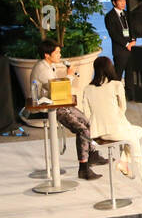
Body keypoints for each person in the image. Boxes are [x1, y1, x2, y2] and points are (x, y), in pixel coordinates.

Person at [30, 40, 106, 180]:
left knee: (86, 122)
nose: (60, 55)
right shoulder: (42, 69)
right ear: (47, 55)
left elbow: (56, 87)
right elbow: (57, 89)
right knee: (82, 130)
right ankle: (83, 168)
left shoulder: (49, 65)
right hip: (50, 106)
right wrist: (70, 75)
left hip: (58, 103)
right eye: (57, 52)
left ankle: (92, 155)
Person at [82, 57, 142, 187]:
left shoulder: (87, 89)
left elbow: (87, 114)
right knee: (138, 149)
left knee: (138, 131)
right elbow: (123, 108)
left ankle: (123, 162)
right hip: (116, 129)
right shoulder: (116, 85)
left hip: (98, 132)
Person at [104, 0, 135, 80]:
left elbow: (133, 28)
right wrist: (127, 44)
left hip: (131, 49)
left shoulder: (127, 14)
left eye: (124, 0)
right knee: (117, 76)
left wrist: (133, 40)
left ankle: (130, 94)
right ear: (114, 2)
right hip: (120, 51)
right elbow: (113, 34)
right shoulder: (110, 16)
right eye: (120, 1)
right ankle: (116, 94)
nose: (123, 3)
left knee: (131, 77)